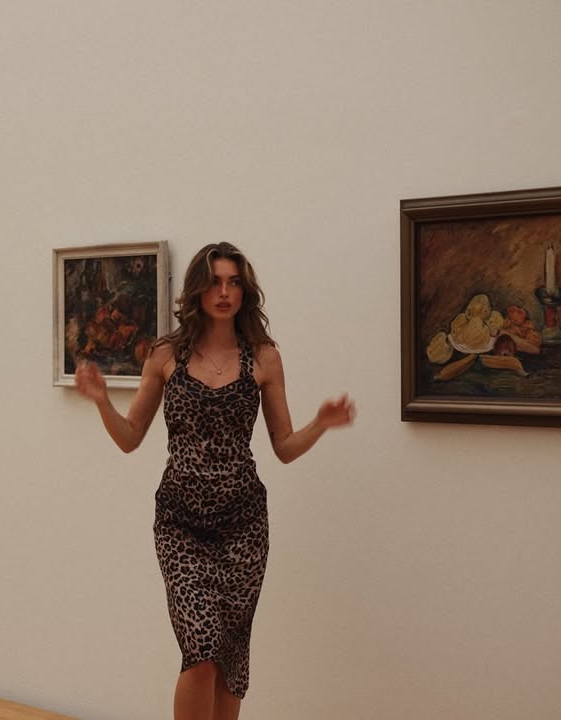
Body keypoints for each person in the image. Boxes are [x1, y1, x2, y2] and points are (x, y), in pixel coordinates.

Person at [75, 242, 354, 720]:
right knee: (201, 649)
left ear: (244, 291)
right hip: (180, 526)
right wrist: (102, 402)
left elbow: (284, 447)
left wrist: (321, 424)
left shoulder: (263, 358)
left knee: (230, 657)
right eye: (215, 282)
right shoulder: (166, 354)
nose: (224, 292)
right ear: (198, 290)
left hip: (243, 527)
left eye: (234, 283)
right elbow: (130, 437)